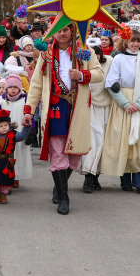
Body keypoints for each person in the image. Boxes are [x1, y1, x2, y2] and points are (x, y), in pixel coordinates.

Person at [22, 24, 104, 215]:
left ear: (72, 31)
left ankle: (60, 185)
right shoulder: (46, 54)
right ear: (53, 32)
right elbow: (35, 85)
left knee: (75, 155)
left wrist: (82, 75)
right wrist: (29, 111)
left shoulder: (84, 51)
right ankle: (64, 197)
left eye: (66, 30)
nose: (62, 34)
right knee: (58, 152)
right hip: (55, 106)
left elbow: (100, 74)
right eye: (58, 30)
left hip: (77, 107)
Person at [103, 32, 140, 193]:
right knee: (124, 142)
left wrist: (138, 104)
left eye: (137, 41)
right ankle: (125, 181)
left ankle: (139, 182)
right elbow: (111, 83)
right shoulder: (118, 59)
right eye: (131, 41)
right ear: (125, 42)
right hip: (123, 103)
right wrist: (126, 104)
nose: (134, 44)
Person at [79, 41, 111, 192]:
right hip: (88, 107)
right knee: (93, 142)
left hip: (105, 106)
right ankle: (88, 177)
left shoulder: (109, 62)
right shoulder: (82, 62)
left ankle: (95, 177)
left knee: (103, 143)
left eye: (97, 52)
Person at [0, 71, 33, 189]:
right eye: (10, 87)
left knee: (20, 153)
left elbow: (31, 115)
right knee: (7, 154)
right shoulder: (1, 100)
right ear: (6, 88)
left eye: (15, 87)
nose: (12, 89)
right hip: (5, 133)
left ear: (20, 88)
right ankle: (8, 177)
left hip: (21, 131)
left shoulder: (25, 99)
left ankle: (16, 176)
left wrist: (31, 131)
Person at [0, 108, 28, 204]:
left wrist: (27, 128)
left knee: (5, 180)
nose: (4, 128)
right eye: (1, 126)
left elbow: (22, 136)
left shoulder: (13, 135)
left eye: (6, 125)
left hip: (7, 162)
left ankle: (3, 195)